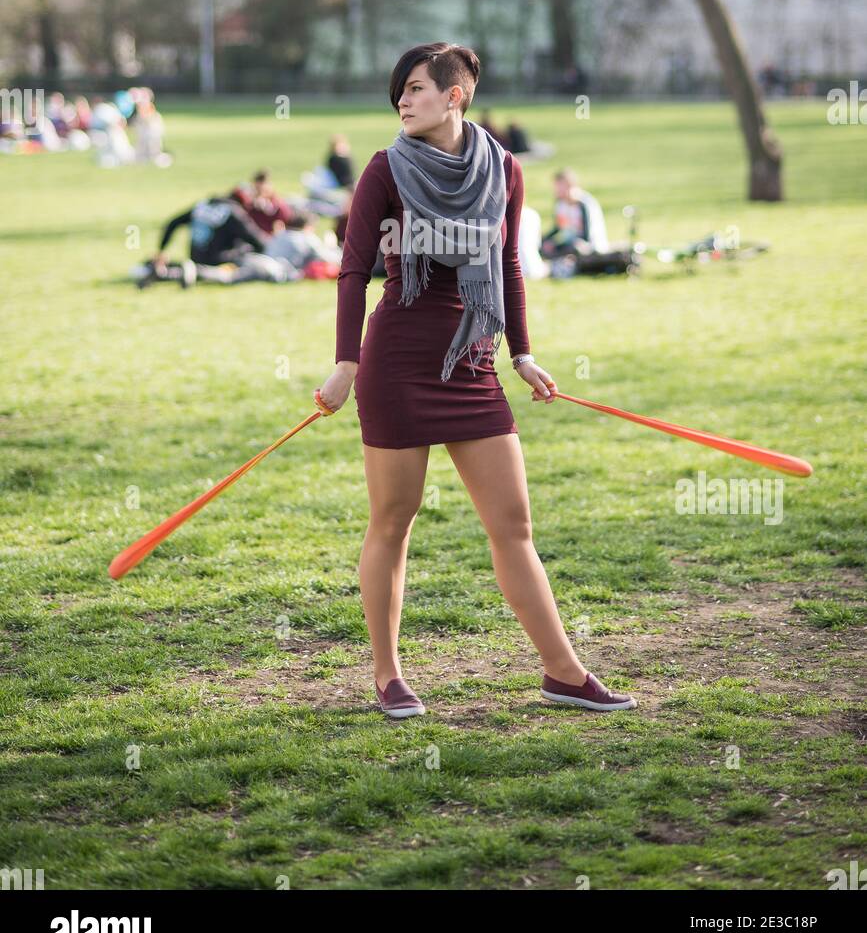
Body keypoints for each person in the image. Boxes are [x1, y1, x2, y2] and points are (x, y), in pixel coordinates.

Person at [315, 41, 636, 718]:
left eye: (415, 89)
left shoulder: (504, 169)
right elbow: (352, 269)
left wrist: (521, 353)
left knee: (513, 525)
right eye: (399, 91)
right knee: (392, 523)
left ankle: (562, 672)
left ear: (453, 95)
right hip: (397, 362)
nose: (402, 100)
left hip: (472, 363)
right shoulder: (384, 171)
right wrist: (346, 361)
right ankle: (386, 675)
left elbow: (508, 265)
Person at [140, 195, 291, 286]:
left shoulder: (202, 206)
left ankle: (165, 271)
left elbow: (172, 223)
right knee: (239, 262)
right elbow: (256, 240)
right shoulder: (233, 213)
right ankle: (183, 272)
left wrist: (161, 250)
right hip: (220, 260)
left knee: (196, 268)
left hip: (195, 256)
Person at [541, 168, 610, 259]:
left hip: (589, 245)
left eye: (560, 187)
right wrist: (546, 240)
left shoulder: (584, 204)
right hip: (570, 242)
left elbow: (587, 235)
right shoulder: (560, 204)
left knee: (576, 248)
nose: (557, 191)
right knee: (543, 246)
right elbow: (558, 227)